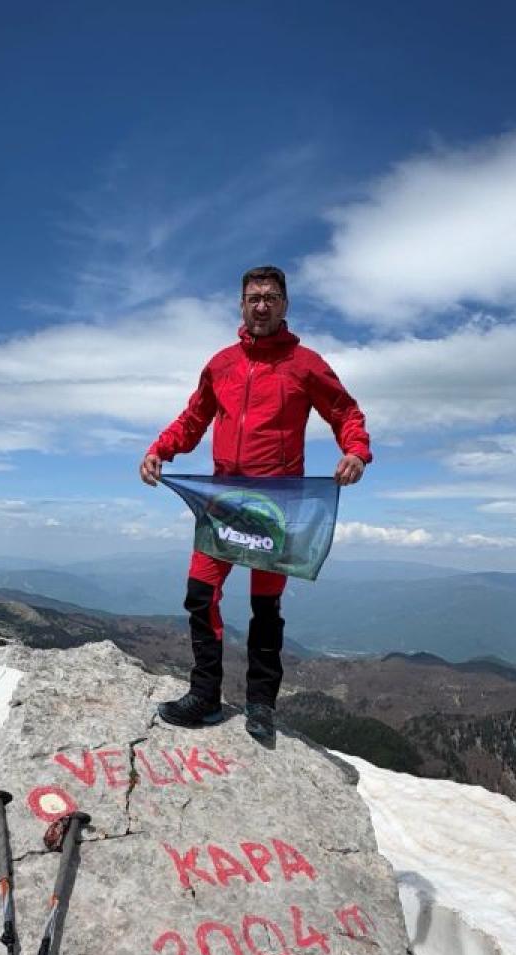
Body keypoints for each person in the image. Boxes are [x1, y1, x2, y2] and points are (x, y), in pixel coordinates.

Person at [140, 265, 371, 739]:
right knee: (200, 594)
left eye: (270, 297)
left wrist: (355, 450)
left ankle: (261, 705)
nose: (261, 305)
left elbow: (344, 411)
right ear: (242, 305)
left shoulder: (305, 364)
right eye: (253, 298)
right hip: (224, 498)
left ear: (285, 304)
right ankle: (205, 695)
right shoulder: (221, 364)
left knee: (265, 606)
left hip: (275, 503)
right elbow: (194, 418)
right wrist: (160, 449)